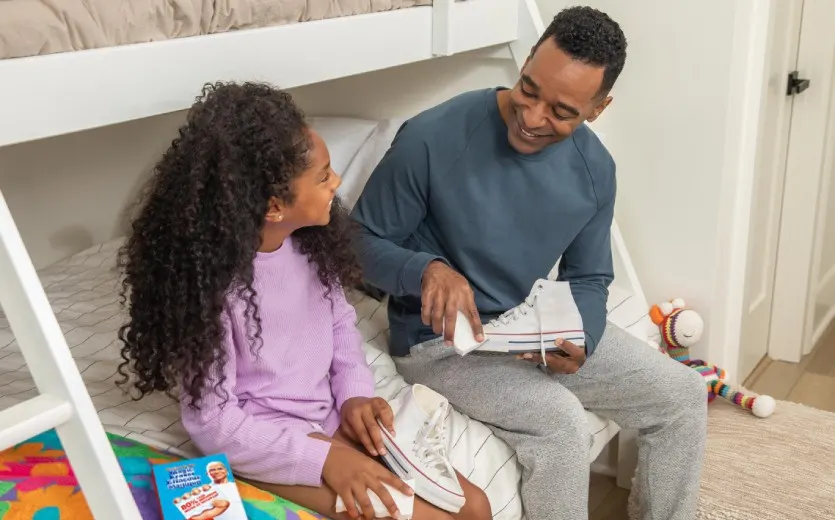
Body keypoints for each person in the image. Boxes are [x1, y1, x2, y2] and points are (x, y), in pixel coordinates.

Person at [351, 6, 708, 520]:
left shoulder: (595, 171)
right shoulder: (431, 136)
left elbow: (589, 277)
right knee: (559, 421)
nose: (533, 117)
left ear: (598, 108)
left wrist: (580, 337)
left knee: (682, 395)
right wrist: (427, 268)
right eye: (528, 89)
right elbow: (359, 240)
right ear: (526, 65)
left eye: (562, 111)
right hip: (439, 344)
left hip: (528, 330)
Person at [115, 81, 491, 520]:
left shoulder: (311, 246)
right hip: (269, 445)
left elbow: (340, 329)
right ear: (275, 205)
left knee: (475, 506)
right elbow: (213, 422)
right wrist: (328, 459)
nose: (337, 182)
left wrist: (353, 396)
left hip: (330, 422)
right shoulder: (213, 290)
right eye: (322, 175)